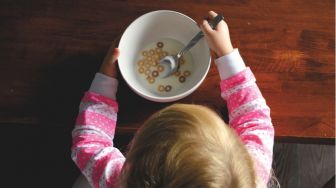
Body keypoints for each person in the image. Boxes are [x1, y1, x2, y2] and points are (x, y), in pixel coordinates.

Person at [71, 11, 275, 188]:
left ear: (133, 163)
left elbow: (89, 143)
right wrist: (226, 53)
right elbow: (255, 118)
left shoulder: (119, 180)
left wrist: (105, 80)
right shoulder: (249, 176)